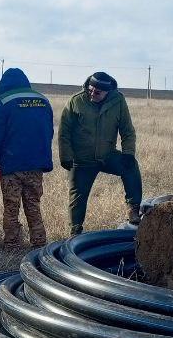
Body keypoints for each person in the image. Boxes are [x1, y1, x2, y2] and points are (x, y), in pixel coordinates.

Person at [58, 71, 142, 234]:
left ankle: (133, 209)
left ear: (107, 92)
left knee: (131, 167)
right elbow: (64, 132)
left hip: (107, 155)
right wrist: (66, 156)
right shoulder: (76, 101)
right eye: (90, 90)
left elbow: (127, 130)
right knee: (77, 196)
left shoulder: (118, 101)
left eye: (97, 93)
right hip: (82, 159)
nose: (92, 94)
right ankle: (75, 231)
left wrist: (128, 154)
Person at [0, 67, 54, 249]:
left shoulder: (4, 101)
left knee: (11, 207)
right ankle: (39, 245)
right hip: (36, 164)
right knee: (33, 206)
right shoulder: (43, 100)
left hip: (12, 165)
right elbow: (49, 132)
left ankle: (12, 244)